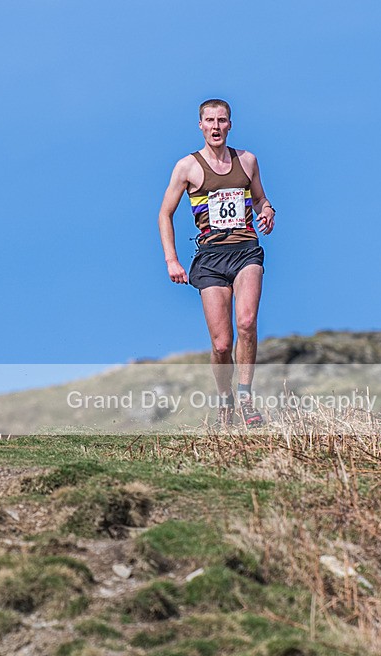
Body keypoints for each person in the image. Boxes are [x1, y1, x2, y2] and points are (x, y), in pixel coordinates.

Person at [158, 98, 275, 429]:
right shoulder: (187, 167)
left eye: (222, 120)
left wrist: (267, 210)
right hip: (210, 259)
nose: (216, 126)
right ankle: (226, 400)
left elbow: (260, 197)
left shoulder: (247, 160)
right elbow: (164, 214)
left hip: (246, 251)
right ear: (200, 125)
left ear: (230, 124)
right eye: (209, 121)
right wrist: (172, 260)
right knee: (222, 344)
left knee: (248, 322)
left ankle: (246, 397)